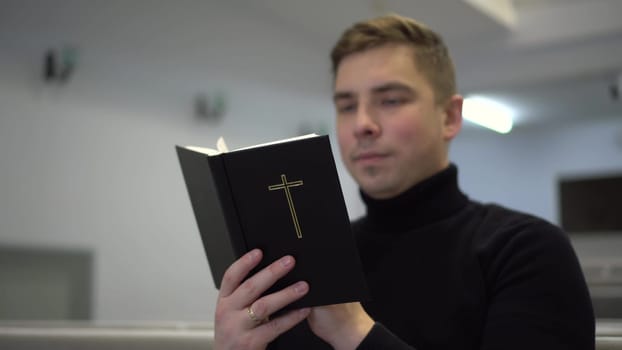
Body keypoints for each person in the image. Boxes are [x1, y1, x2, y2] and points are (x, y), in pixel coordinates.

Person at [213, 14, 595, 349]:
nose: (362, 123)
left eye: (391, 100)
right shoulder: (303, 261)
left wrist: (355, 334)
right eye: (346, 106)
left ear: (449, 116)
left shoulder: (525, 251)